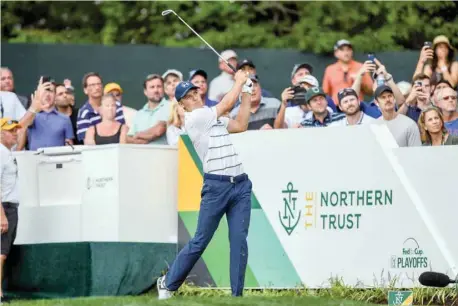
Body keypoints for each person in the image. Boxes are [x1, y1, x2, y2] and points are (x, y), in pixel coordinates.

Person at [157, 70, 252, 300]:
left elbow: (240, 125)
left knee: (239, 241)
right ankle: (168, 284)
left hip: (240, 184)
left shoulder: (212, 116)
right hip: (216, 186)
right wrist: (239, 81)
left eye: (195, 92)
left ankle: (237, 296)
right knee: (201, 240)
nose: (195, 97)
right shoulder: (196, 119)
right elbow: (227, 102)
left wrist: (247, 93)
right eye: (188, 96)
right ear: (182, 105)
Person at [0, 118, 21, 302]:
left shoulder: (7, 153)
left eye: (16, 130)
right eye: (10, 130)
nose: (15, 133)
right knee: (1, 252)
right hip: (5, 207)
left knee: (4, 251)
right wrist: (1, 215)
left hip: (10, 207)